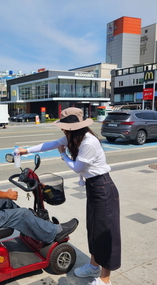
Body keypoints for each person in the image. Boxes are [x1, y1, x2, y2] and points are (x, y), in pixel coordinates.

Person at [18, 107, 121, 285]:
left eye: (65, 126)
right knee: (94, 229)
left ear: (74, 127)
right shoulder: (73, 137)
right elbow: (50, 144)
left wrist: (62, 155)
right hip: (94, 187)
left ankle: (105, 279)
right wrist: (25, 151)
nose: (62, 129)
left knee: (105, 232)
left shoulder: (89, 142)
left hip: (104, 188)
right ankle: (93, 265)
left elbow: (77, 168)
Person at [0, 135, 78, 244]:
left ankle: (35, 227)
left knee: (8, 204)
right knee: (22, 214)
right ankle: (54, 232)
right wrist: (7, 195)